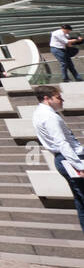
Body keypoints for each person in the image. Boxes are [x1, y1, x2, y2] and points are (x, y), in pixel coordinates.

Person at [32, 84, 84, 234]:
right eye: (58, 97)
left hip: (66, 158)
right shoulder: (49, 117)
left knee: (80, 200)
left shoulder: (40, 113)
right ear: (47, 98)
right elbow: (62, 143)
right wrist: (80, 166)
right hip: (70, 159)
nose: (62, 100)